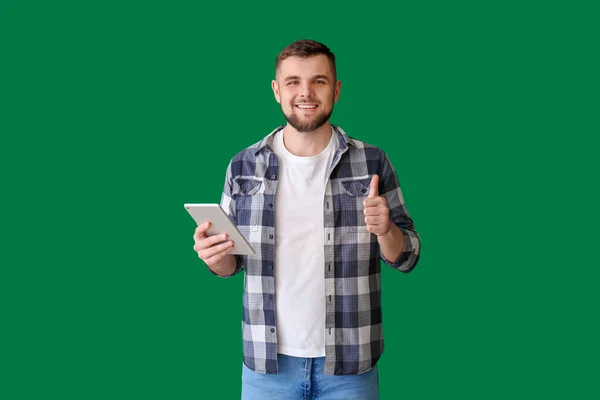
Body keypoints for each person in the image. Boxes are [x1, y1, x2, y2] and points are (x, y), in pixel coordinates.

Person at [193, 39, 421, 400]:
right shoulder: (243, 166)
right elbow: (230, 264)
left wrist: (386, 230)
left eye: (319, 81)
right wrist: (213, 255)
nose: (306, 92)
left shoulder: (373, 162)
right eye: (293, 82)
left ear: (337, 89)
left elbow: (407, 256)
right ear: (276, 90)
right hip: (266, 368)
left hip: (350, 366)